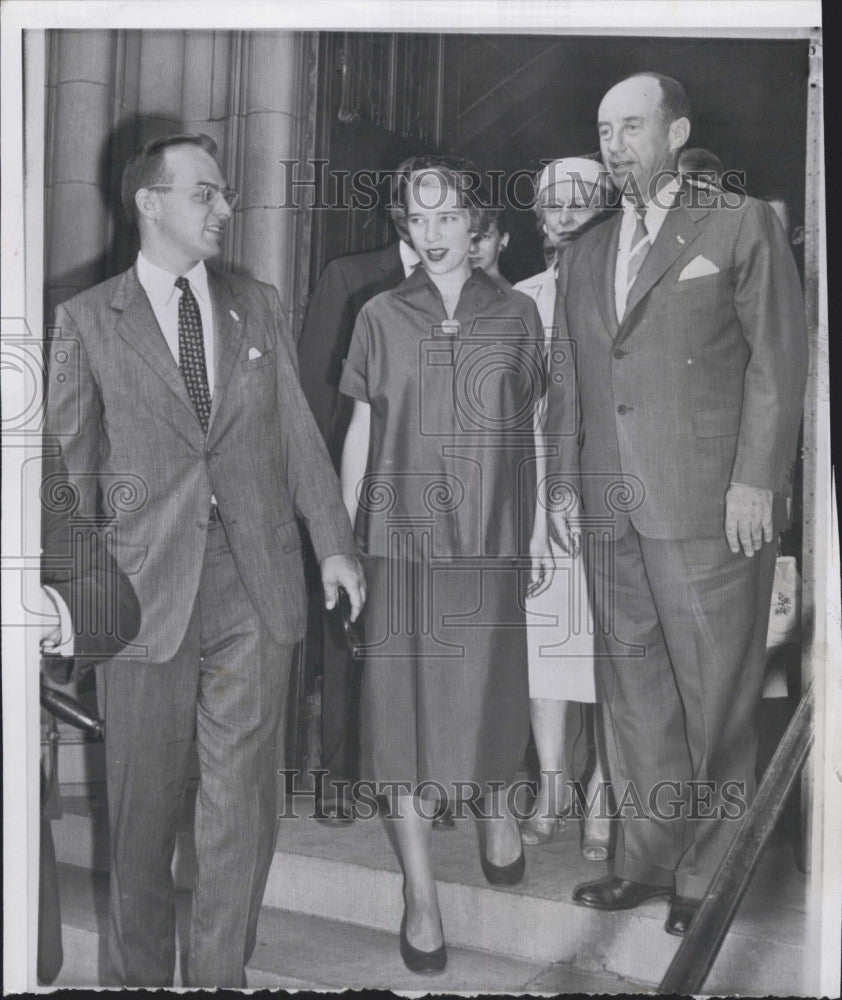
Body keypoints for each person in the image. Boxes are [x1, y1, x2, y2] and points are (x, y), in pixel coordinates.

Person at [41, 132, 365, 987]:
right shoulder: (85, 320)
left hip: (254, 585)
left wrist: (333, 543)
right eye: (206, 194)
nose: (225, 209)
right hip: (142, 591)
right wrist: (70, 597)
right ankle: (140, 980)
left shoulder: (253, 304)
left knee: (238, 810)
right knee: (142, 820)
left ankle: (221, 977)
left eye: (224, 195)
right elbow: (65, 475)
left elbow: (297, 431)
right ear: (150, 202)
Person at [548, 73, 807, 936]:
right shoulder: (583, 251)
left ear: (676, 131)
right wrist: (562, 484)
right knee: (634, 695)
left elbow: (778, 363)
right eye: (602, 128)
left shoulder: (739, 224)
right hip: (610, 507)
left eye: (630, 126)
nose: (613, 143)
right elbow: (574, 381)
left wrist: (756, 481)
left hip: (709, 505)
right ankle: (647, 861)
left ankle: (711, 873)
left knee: (716, 699)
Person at [339, 154, 551, 972]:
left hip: (492, 536)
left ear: (476, 224)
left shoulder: (519, 315)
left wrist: (534, 532)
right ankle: (420, 895)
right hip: (399, 542)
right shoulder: (379, 313)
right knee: (397, 720)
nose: (430, 234)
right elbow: (359, 431)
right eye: (416, 220)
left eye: (446, 217)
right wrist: (348, 547)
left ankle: (499, 805)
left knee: (492, 697)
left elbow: (531, 429)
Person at [296, 195, 421, 821]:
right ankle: (341, 777)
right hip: (357, 484)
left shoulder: (468, 287)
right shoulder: (352, 278)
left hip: (435, 500)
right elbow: (316, 390)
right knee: (349, 631)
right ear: (398, 215)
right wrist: (323, 507)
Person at [514, 157, 614, 859]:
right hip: (539, 492)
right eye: (554, 204)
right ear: (540, 218)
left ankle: (605, 793)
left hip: (613, 493)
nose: (567, 214)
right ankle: (553, 783)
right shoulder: (522, 299)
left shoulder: (628, 290)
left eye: (582, 202)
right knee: (547, 639)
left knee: (616, 651)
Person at [468, 205, 511, 287]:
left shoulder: (518, 296)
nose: (472, 249)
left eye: (484, 237)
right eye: (466, 237)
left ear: (503, 240)